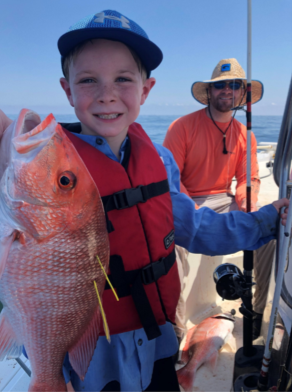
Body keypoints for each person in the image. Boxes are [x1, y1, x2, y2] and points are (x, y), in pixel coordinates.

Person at [0, 13, 289, 392]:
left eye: (123, 78)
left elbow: (197, 227)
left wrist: (267, 221)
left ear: (146, 89)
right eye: (88, 80)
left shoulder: (158, 160)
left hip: (157, 341)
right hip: (88, 353)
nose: (107, 94)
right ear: (67, 90)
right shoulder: (43, 165)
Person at [163, 58, 273, 341]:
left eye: (235, 85)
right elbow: (170, 182)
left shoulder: (245, 134)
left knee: (269, 231)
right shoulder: (182, 127)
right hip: (186, 201)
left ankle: (257, 309)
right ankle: (173, 329)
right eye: (220, 85)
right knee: (169, 247)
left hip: (224, 199)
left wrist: (248, 203)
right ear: (209, 92)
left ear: (242, 94)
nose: (227, 90)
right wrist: (194, 211)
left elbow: (249, 179)